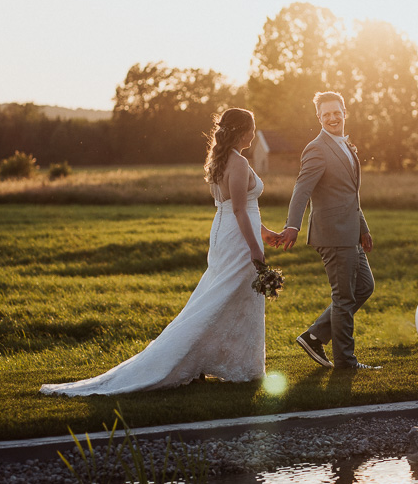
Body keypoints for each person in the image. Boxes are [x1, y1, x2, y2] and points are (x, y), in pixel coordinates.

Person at [41, 108, 281, 396]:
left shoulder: (220, 159)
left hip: (226, 232)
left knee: (225, 296)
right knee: (220, 298)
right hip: (238, 239)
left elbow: (237, 208)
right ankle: (192, 357)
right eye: (252, 129)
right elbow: (240, 209)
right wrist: (256, 248)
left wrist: (265, 232)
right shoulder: (239, 162)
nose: (254, 135)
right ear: (242, 131)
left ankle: (231, 363)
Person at [278, 91, 380, 370]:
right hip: (332, 233)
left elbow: (350, 194)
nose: (332, 118)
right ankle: (346, 361)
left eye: (336, 112)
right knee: (344, 297)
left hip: (350, 230)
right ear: (319, 118)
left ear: (344, 112)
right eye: (326, 114)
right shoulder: (317, 148)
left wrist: (363, 228)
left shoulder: (345, 144)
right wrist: (292, 225)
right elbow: (302, 189)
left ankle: (314, 336)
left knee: (364, 287)